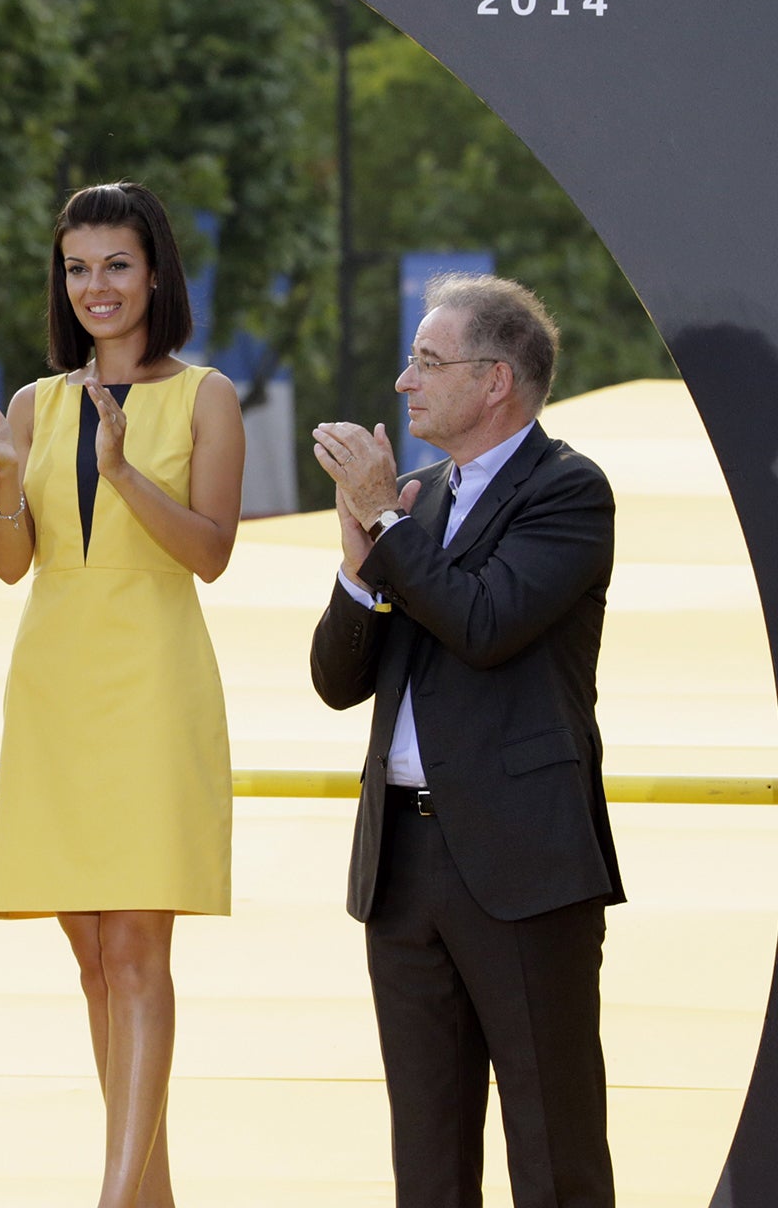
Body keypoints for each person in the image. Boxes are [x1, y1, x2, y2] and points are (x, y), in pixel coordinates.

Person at [0, 182, 243, 1208]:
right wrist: (0, 474)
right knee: (88, 959)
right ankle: (147, 1195)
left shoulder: (206, 395)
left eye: (114, 264)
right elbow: (9, 565)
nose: (95, 286)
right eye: (76, 268)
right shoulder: (36, 403)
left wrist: (120, 472)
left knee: (134, 952)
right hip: (53, 683)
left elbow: (209, 553)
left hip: (152, 679)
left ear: (154, 271)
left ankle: (114, 1198)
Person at [310, 272, 620, 1208]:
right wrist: (362, 567)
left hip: (523, 864)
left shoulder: (569, 490)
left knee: (553, 1146)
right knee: (429, 1161)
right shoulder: (417, 501)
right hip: (403, 865)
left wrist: (391, 523)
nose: (405, 383)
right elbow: (337, 682)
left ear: (495, 382)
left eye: (427, 362)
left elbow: (485, 623)